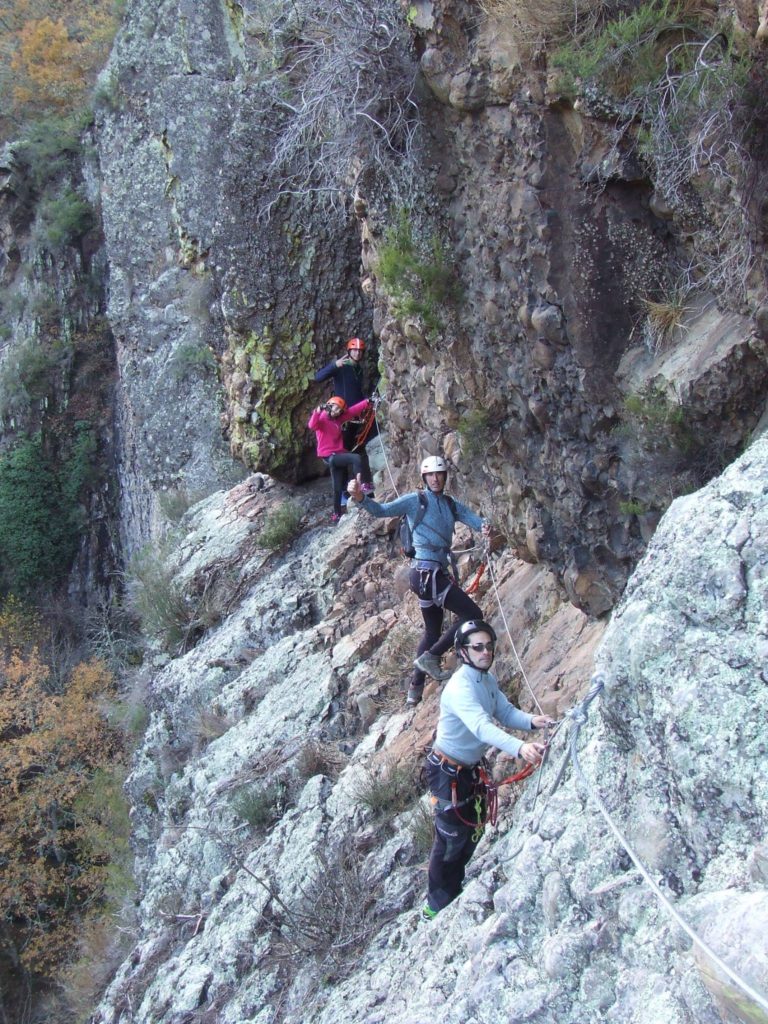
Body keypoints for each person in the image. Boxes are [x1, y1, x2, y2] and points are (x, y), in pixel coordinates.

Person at [422, 619, 554, 919]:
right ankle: (437, 903)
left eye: (489, 647)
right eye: (478, 647)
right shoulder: (460, 688)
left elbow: (504, 711)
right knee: (451, 837)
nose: (486, 653)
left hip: (463, 770)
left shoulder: (485, 681)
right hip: (447, 773)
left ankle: (452, 888)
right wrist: (520, 748)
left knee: (471, 829)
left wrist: (533, 721)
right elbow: (482, 727)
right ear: (463, 652)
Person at [348, 455, 491, 704]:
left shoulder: (450, 503)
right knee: (472, 615)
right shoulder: (416, 501)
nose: (435, 479)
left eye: (439, 474)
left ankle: (414, 689)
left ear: (445, 476)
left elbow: (471, 518)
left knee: (432, 631)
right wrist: (360, 497)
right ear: (424, 478)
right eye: (431, 475)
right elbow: (382, 510)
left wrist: (485, 526)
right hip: (428, 573)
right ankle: (431, 657)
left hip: (427, 576)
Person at [314, 337, 375, 492]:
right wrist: (334, 365)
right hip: (343, 417)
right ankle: (344, 491)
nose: (357, 353)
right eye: (354, 350)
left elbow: (357, 391)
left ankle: (362, 484)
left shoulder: (358, 370)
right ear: (349, 351)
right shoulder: (342, 367)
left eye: (360, 351)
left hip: (357, 415)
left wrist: (366, 404)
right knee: (343, 452)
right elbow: (318, 377)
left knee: (358, 448)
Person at [308, 396, 370, 522]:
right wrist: (317, 411)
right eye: (335, 408)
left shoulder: (337, 420)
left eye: (339, 410)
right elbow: (312, 425)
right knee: (356, 458)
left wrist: (367, 402)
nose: (337, 411)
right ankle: (362, 485)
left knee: (337, 487)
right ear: (329, 406)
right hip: (330, 456)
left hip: (337, 456)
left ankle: (336, 514)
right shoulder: (322, 419)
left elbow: (352, 411)